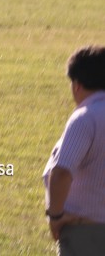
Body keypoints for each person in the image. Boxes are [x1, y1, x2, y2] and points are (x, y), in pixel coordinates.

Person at [43, 45, 105, 255]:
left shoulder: (85, 118)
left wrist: (55, 216)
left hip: (88, 230)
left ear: (77, 85)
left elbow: (61, 172)